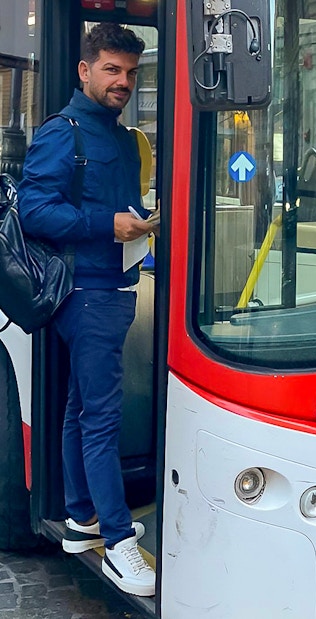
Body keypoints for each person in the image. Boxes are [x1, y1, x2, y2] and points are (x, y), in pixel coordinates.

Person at [18, 23, 157, 597]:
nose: (122, 82)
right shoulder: (64, 132)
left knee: (81, 410)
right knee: (101, 418)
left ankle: (81, 518)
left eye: (130, 73)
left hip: (117, 287)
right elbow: (33, 209)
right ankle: (121, 545)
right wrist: (109, 224)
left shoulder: (125, 139)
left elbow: (119, 208)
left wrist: (144, 222)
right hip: (87, 295)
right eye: (111, 70)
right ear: (84, 70)